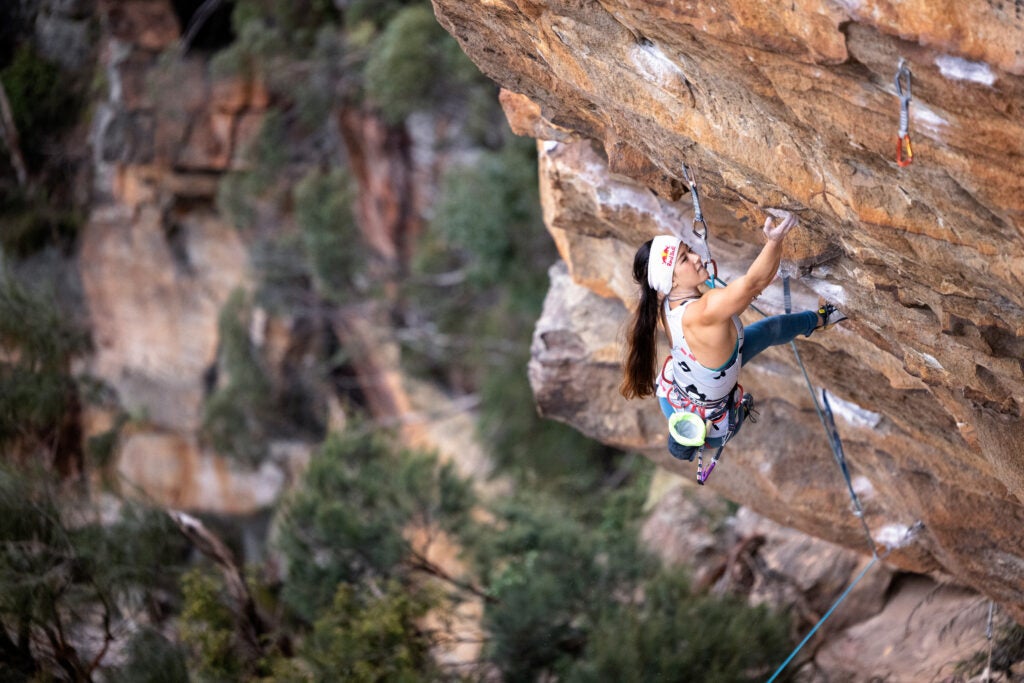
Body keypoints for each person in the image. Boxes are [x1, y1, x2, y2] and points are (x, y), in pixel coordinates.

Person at [620, 209, 845, 460]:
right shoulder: (702, 312)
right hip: (716, 422)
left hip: (680, 394)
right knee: (768, 330)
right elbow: (753, 284)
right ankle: (826, 317)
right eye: (684, 259)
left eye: (688, 250)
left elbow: (650, 291)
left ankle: (818, 321)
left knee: (768, 330)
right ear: (670, 282)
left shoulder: (662, 307)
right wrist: (774, 241)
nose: (696, 258)